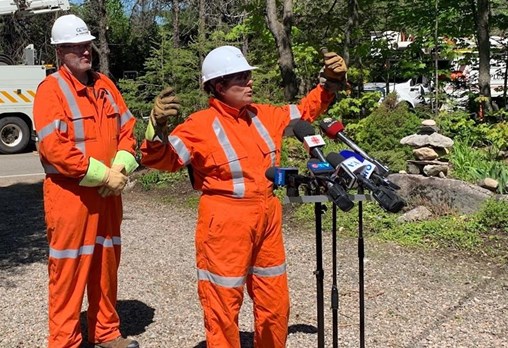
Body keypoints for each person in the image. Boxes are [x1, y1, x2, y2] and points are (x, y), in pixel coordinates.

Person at [140, 45, 347, 347]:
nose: (250, 82)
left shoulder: (264, 115)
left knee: (275, 302)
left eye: (249, 75)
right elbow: (163, 161)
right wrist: (155, 131)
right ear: (219, 86)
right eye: (241, 77)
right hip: (224, 221)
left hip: (267, 217)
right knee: (223, 304)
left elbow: (305, 112)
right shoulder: (198, 125)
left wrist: (329, 84)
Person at [33, 14, 144, 348]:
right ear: (59, 51)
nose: (85, 51)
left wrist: (120, 170)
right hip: (70, 198)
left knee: (106, 266)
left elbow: (128, 132)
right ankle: (65, 341)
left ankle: (105, 332)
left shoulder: (106, 86)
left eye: (87, 45)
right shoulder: (50, 90)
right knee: (68, 272)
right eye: (76, 46)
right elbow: (54, 149)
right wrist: (101, 174)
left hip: (108, 195)